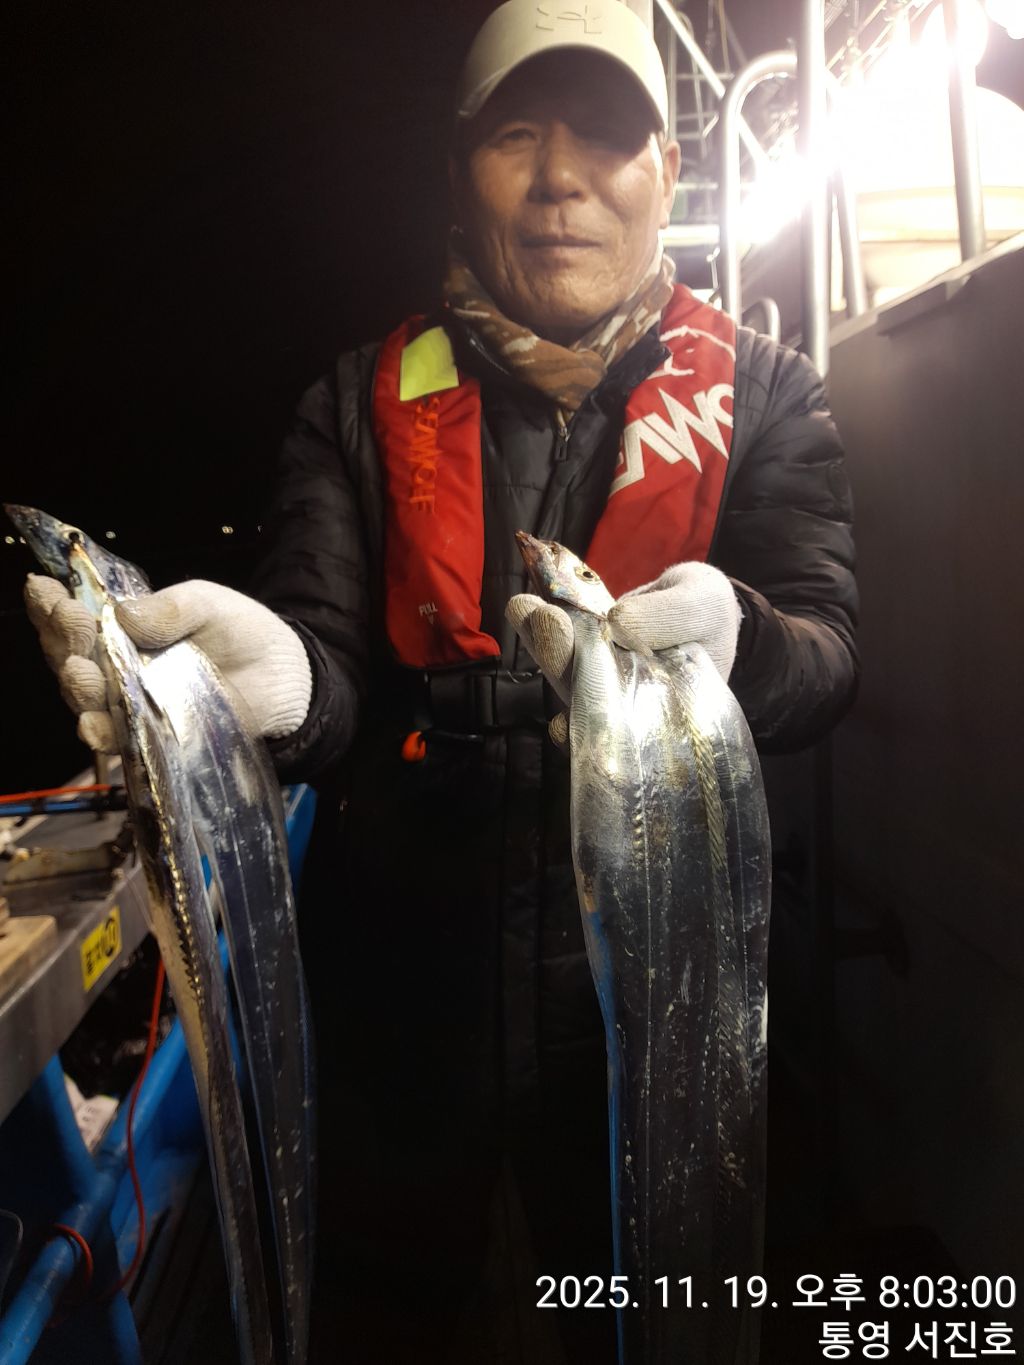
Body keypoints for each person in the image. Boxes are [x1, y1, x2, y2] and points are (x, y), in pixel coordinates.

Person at [24, 3, 858, 1360]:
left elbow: (826, 655)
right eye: (516, 135)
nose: (561, 178)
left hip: (654, 1020)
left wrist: (745, 642)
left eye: (606, 138)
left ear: (666, 174)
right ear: (460, 174)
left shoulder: (768, 393)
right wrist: (278, 690)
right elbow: (330, 665)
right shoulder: (356, 401)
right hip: (403, 1017)